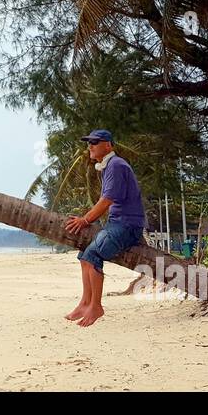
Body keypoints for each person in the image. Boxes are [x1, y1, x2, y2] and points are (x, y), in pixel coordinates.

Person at [62, 129, 145, 327]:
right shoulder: (109, 166)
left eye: (95, 142)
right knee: (84, 255)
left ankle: (96, 306)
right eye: (89, 142)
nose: (90, 146)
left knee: (92, 255)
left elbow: (107, 200)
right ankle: (85, 303)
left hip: (128, 225)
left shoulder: (115, 165)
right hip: (118, 223)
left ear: (107, 145)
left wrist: (84, 220)